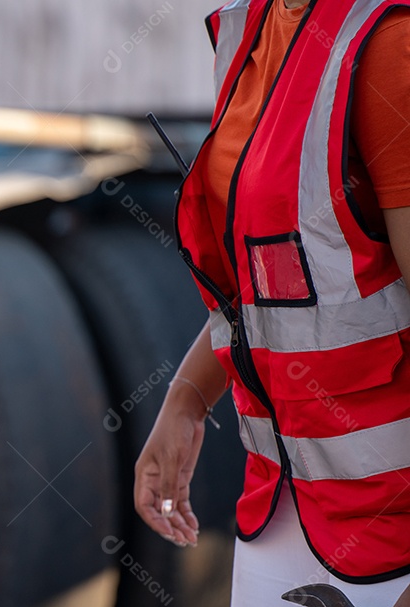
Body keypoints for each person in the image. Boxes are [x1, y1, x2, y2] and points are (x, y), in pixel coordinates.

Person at [134, 0, 410, 604]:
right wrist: (186, 399)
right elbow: (272, 288)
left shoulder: (388, 46)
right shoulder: (249, 30)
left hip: (390, 532)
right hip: (276, 505)